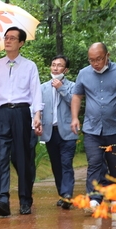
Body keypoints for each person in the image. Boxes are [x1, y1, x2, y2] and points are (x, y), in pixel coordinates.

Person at [0, 26, 43, 216]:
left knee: (23, 158)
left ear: (21, 43)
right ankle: (2, 200)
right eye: (6, 38)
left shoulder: (30, 66)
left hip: (22, 113)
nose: (7, 41)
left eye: (13, 38)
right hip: (2, 113)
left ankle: (25, 200)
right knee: (2, 155)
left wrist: (36, 114)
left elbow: (35, 91)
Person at [70, 43, 116, 213]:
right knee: (94, 163)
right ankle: (94, 199)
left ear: (107, 55)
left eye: (99, 59)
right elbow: (77, 96)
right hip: (92, 128)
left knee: (115, 165)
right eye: (92, 60)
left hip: (114, 128)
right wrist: (74, 118)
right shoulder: (83, 73)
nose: (95, 63)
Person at [40, 55, 78, 210]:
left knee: (66, 163)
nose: (55, 68)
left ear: (66, 70)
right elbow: (38, 107)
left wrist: (60, 88)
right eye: (53, 64)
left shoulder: (73, 86)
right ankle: (62, 195)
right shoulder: (42, 87)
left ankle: (67, 194)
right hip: (50, 131)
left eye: (59, 65)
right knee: (56, 165)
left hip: (68, 131)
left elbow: (74, 102)